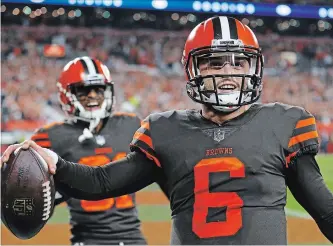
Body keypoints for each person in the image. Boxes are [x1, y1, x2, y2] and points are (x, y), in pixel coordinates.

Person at [2, 16, 333, 245]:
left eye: (239, 61)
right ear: (192, 68)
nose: (229, 71)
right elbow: (102, 183)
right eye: (214, 62)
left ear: (254, 66)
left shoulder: (285, 122)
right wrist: (57, 164)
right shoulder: (165, 130)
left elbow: (324, 209)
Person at [29, 56, 167, 245]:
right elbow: (24, 185)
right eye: (84, 90)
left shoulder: (131, 124)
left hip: (133, 239)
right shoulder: (50, 136)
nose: (93, 95)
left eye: (98, 89)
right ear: (66, 94)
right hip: (89, 240)